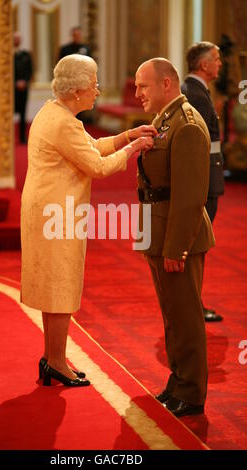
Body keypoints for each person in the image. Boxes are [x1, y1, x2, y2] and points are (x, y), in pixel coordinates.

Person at [20, 54, 156, 388]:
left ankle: (54, 358)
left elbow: (91, 147)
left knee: (55, 287)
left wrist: (126, 136)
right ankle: (54, 360)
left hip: (50, 209)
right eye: (94, 84)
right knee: (61, 287)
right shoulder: (63, 122)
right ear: (78, 88)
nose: (97, 91)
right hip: (57, 214)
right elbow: (97, 166)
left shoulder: (54, 112)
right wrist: (136, 146)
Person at [135, 58, 215, 416]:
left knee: (185, 316)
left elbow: (189, 196)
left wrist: (177, 248)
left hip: (178, 236)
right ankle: (178, 379)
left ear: (167, 84)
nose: (137, 93)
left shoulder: (187, 126)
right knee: (172, 314)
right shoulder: (165, 120)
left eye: (143, 86)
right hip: (159, 228)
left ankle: (192, 392)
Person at [181, 42, 225, 322]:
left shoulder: (198, 91)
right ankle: (192, 305)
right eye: (217, 59)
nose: (220, 63)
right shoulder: (194, 94)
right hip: (204, 183)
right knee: (196, 248)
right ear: (204, 65)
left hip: (209, 179)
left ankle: (192, 303)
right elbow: (196, 146)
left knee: (198, 247)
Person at [14, 31, 33, 144]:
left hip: (23, 89)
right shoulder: (7, 56)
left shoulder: (26, 55)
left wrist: (24, 82)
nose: (16, 41)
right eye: (15, 39)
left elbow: (30, 71)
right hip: (11, 90)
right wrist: (15, 82)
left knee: (23, 113)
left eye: (18, 39)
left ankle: (22, 137)